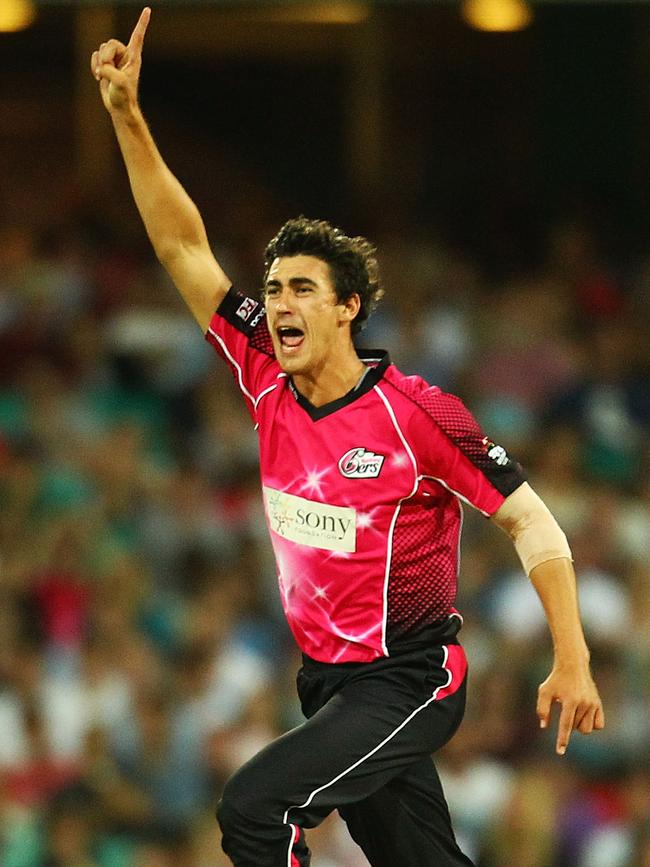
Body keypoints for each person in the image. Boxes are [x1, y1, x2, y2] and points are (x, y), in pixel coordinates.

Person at [91, 9, 605, 866]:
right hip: (326, 682)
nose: (280, 303)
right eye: (272, 286)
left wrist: (572, 654)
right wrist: (126, 115)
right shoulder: (262, 368)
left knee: (256, 808)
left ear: (346, 307)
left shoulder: (420, 413)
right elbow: (183, 245)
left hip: (409, 677)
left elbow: (533, 522)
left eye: (300, 288)